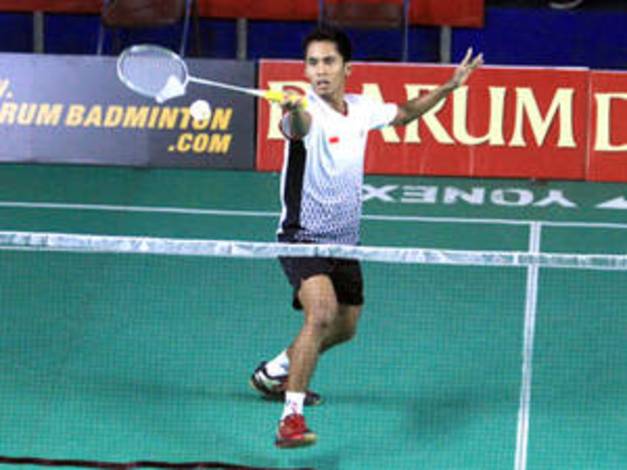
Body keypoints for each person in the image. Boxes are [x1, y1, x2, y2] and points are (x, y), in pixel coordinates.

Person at [249, 27, 483, 448]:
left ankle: (275, 371)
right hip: (302, 236)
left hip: (345, 240)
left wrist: (449, 86)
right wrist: (292, 109)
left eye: (329, 61)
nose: (320, 70)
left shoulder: (360, 109)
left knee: (344, 327)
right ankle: (291, 417)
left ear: (347, 68)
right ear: (305, 70)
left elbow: (405, 113)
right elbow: (296, 126)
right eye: (313, 63)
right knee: (321, 314)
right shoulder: (304, 112)